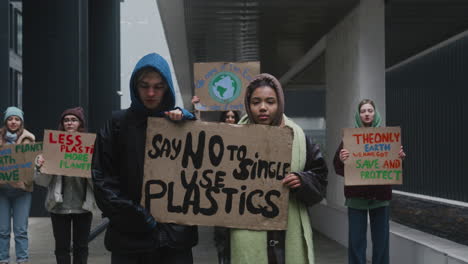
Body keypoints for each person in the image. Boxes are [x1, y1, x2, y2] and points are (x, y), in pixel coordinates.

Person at [91, 52, 198, 264]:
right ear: (135, 86)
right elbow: (102, 179)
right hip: (129, 241)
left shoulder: (181, 125)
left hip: (174, 240)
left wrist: (192, 126)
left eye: (158, 86)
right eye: (144, 85)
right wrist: (138, 217)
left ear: (167, 88)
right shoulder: (116, 124)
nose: (150, 93)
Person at [230, 73, 328, 264]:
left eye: (270, 101)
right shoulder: (232, 139)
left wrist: (302, 181)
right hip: (248, 228)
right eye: (256, 102)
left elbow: (321, 177)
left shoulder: (298, 136)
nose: (263, 107)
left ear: (280, 103)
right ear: (248, 105)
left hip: (284, 232)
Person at [333, 99, 406, 264]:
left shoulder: (387, 138)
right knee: (356, 241)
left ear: (375, 113)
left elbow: (395, 168)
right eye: (363, 111)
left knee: (381, 242)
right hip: (356, 198)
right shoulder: (349, 139)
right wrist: (341, 159)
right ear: (359, 115)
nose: (367, 114)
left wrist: (400, 158)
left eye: (370, 110)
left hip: (380, 197)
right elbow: (337, 167)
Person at [34, 107, 96, 264]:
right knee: (61, 248)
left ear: (80, 123)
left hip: (83, 207)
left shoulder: (90, 147)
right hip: (58, 207)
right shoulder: (52, 146)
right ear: (62, 124)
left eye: (74, 120)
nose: (70, 123)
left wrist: (91, 167)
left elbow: (97, 183)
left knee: (81, 247)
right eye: (66, 120)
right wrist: (40, 167)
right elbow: (42, 182)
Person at [0, 106, 35, 264]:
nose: (13, 122)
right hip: (2, 191)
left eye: (16, 119)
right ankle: (3, 259)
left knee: (21, 230)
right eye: (10, 119)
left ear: (21, 122)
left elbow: (32, 164)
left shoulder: (29, 139)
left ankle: (22, 259)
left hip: (22, 190)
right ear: (6, 121)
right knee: (3, 230)